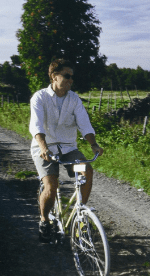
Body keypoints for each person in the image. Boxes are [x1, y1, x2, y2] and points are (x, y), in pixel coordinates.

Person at [29, 58, 104, 243]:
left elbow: (84, 123)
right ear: (54, 76)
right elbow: (36, 125)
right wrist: (44, 147)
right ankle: (44, 220)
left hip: (69, 150)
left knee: (85, 171)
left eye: (72, 77)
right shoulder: (40, 97)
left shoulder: (74, 99)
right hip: (44, 149)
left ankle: (80, 213)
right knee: (51, 185)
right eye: (67, 76)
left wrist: (93, 144)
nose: (71, 80)